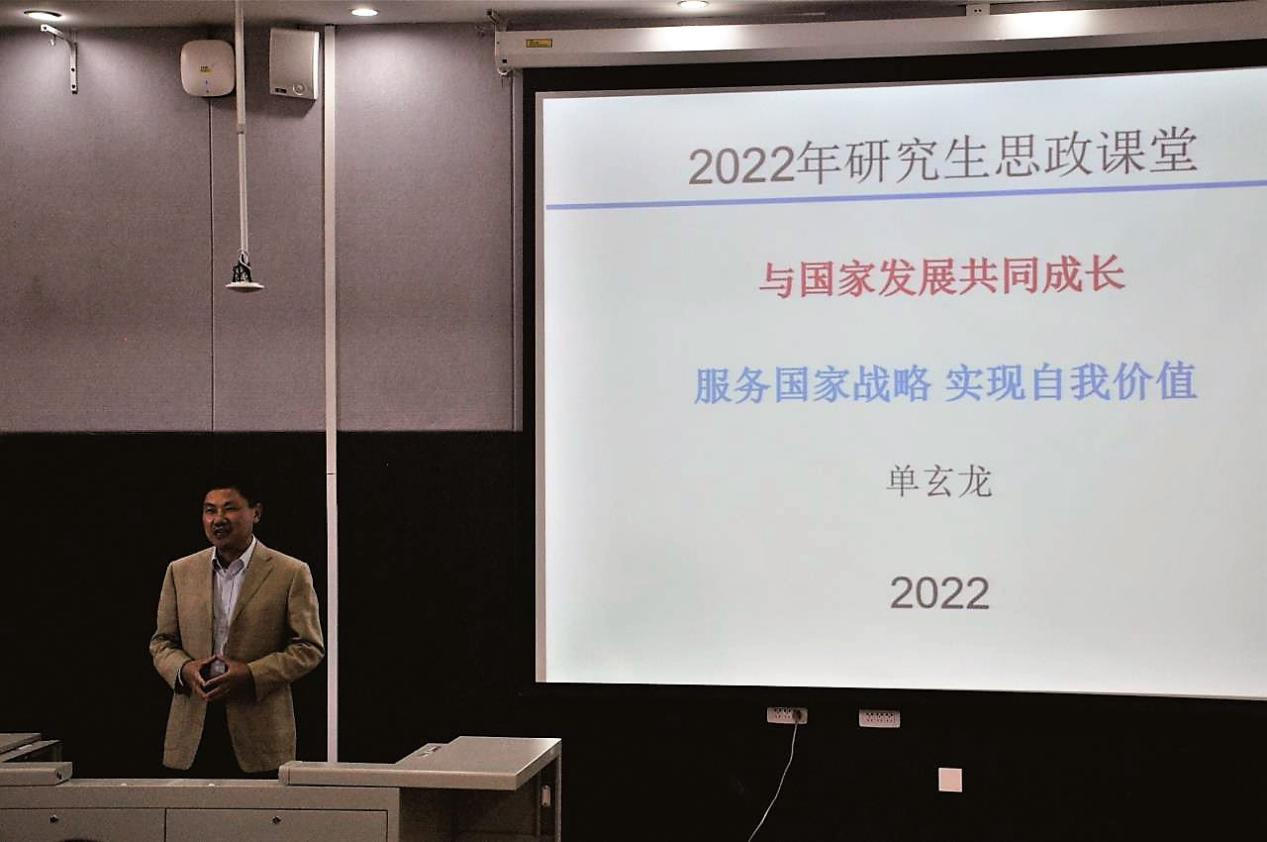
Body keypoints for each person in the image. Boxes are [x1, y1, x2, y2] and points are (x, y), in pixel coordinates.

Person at [149, 478, 324, 776]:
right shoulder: (180, 571)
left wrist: (251, 674)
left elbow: (309, 647)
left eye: (229, 508)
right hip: (192, 732)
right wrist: (184, 669)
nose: (218, 519)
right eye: (210, 510)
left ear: (256, 513)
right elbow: (162, 642)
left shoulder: (291, 572)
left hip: (260, 734)